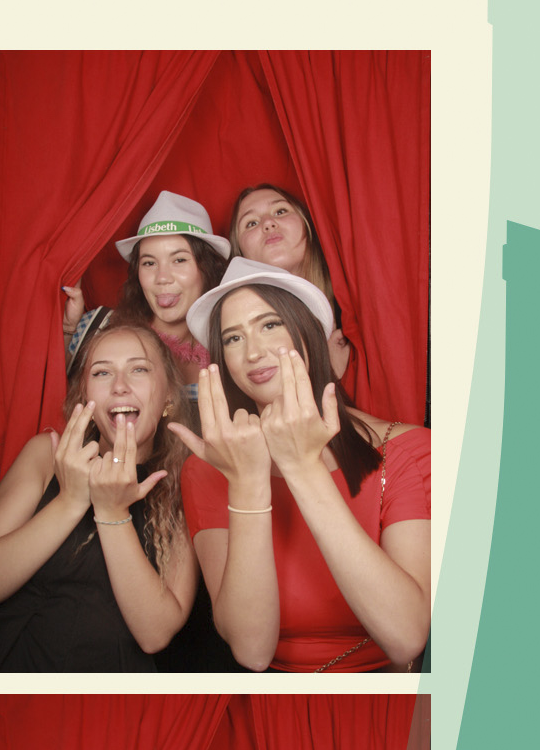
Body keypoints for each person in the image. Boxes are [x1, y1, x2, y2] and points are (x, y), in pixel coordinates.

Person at [176, 258, 430, 672]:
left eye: (270, 324)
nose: (253, 352)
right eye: (233, 338)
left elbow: (406, 638)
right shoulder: (207, 469)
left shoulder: (409, 451)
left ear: (309, 332)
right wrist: (248, 482)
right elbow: (251, 652)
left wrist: (302, 467)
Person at [0, 323, 199, 672]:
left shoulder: (183, 482)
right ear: (84, 396)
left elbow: (155, 633)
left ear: (169, 398)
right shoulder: (45, 456)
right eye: (102, 372)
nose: (119, 386)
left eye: (139, 369)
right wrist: (70, 500)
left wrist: (112, 513)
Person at [63, 190, 229, 391]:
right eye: (149, 263)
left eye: (179, 260)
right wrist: (67, 330)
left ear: (207, 268)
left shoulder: (231, 345)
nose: (162, 278)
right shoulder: (97, 326)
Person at [227, 182, 350, 380]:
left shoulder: (349, 301)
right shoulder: (238, 328)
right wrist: (328, 372)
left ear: (307, 224)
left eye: (280, 211)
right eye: (251, 223)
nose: (268, 223)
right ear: (240, 253)